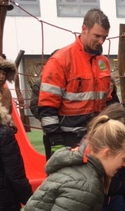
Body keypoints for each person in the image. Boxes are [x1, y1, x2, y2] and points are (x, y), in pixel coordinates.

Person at [38, 8, 114, 156]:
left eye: (104, 37)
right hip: (66, 138)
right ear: (84, 29)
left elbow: (108, 101)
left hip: (94, 137)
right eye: (97, 36)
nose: (101, 41)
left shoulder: (103, 62)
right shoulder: (60, 60)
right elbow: (47, 107)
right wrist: (56, 142)